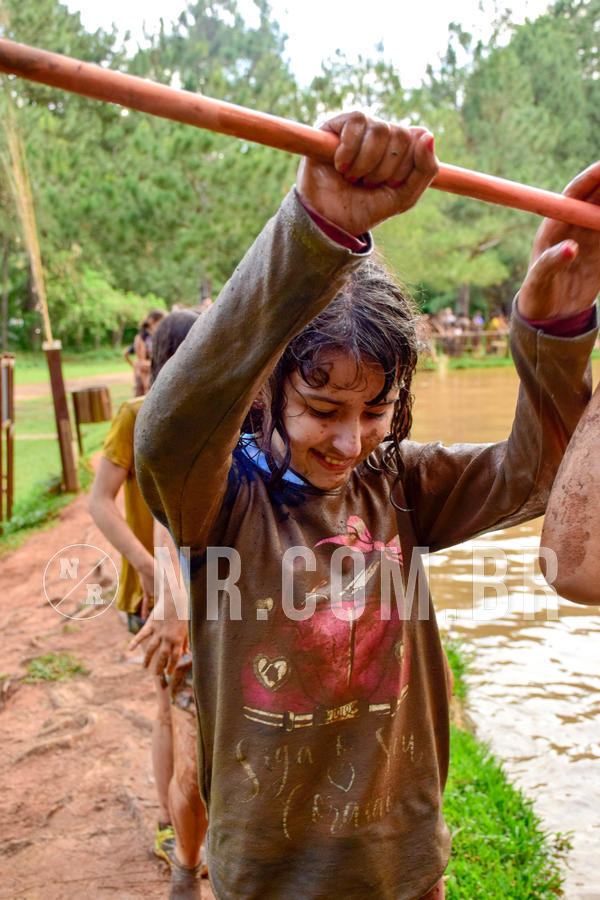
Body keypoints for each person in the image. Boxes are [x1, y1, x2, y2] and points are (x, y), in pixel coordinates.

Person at [134, 112, 599, 899]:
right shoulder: (216, 500)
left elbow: (537, 476)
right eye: (322, 407)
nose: (350, 441)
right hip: (269, 879)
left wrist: (553, 327)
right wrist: (315, 230)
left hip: (407, 867)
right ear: (265, 392)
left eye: (375, 411)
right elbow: (171, 428)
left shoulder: (399, 486)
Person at [89, 310, 208, 899]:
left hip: (208, 596)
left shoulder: (215, 420)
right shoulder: (137, 417)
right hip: (154, 595)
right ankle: (172, 826)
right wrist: (144, 567)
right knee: (170, 710)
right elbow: (100, 501)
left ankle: (190, 823)